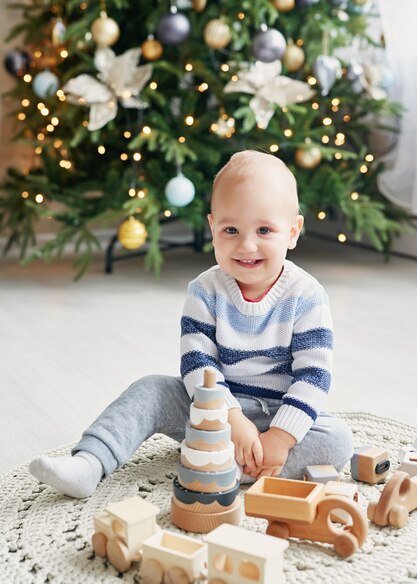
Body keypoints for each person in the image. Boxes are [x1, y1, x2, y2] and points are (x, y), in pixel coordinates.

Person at [29, 150, 353, 498]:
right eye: (231, 229)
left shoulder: (307, 295)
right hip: (210, 412)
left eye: (264, 230)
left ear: (292, 232)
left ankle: (234, 468)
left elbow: (313, 377)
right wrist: (230, 419)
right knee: (150, 389)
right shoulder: (204, 291)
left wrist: (281, 437)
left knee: (337, 440)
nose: (246, 245)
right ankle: (90, 463)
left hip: (277, 413)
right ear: (212, 228)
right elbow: (198, 364)